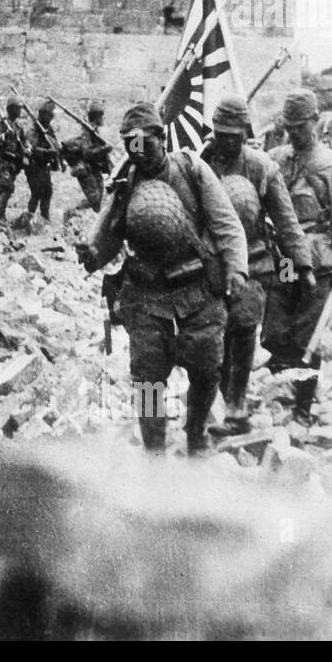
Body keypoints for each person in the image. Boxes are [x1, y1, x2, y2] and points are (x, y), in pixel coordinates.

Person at [76, 103, 248, 454]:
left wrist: (237, 269)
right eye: (130, 145)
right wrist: (93, 254)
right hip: (147, 294)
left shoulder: (192, 170)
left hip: (197, 287)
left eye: (145, 144)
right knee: (149, 378)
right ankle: (154, 448)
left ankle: (196, 431)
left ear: (162, 138)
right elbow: (110, 238)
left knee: (206, 369)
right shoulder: (125, 185)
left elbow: (226, 223)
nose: (138, 152)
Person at [203, 96, 313, 435]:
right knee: (213, 336)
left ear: (245, 132)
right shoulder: (201, 163)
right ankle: (220, 402)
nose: (227, 141)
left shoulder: (262, 167)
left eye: (234, 135)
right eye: (221, 133)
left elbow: (286, 221)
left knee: (243, 331)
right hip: (211, 261)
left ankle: (236, 411)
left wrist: (303, 266)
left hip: (254, 261)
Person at [261, 88, 332, 426]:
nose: (294, 133)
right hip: (288, 259)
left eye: (300, 126)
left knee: (308, 334)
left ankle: (302, 410)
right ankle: (287, 387)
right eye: (289, 127)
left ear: (316, 121)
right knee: (276, 329)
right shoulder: (275, 157)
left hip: (319, 262)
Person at [16, 100, 62, 227]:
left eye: (51, 115)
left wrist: (55, 156)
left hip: (44, 166)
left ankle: (44, 218)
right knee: (37, 192)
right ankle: (28, 218)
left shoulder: (48, 130)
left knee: (47, 191)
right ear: (42, 114)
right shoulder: (33, 129)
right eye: (48, 115)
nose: (50, 117)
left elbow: (56, 144)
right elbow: (31, 147)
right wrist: (47, 152)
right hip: (33, 165)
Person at [63, 98, 113, 210]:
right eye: (102, 116)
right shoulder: (87, 132)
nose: (103, 118)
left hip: (94, 168)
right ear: (97, 117)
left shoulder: (94, 131)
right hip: (85, 170)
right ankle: (71, 213)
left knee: (99, 199)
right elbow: (87, 153)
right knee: (95, 200)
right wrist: (105, 149)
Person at [0, 98, 29, 226]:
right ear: (10, 109)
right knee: (7, 187)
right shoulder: (2, 124)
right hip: (2, 161)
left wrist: (27, 148)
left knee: (5, 188)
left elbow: (24, 142)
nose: (19, 110)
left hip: (13, 163)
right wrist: (3, 136)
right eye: (17, 108)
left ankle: (0, 216)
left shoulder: (18, 127)